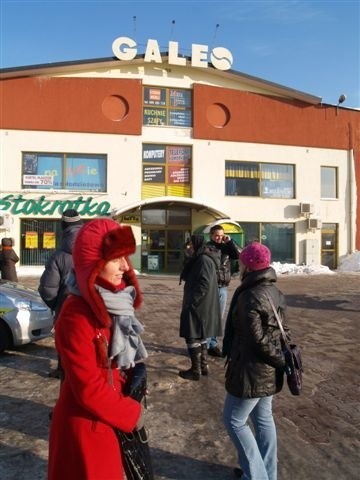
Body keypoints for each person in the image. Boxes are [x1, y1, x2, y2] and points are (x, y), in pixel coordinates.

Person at [48, 218, 147, 480]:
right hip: (85, 431)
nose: (125, 267)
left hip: (109, 422)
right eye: (117, 260)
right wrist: (131, 413)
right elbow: (87, 388)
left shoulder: (116, 302)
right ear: (94, 263)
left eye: (126, 258)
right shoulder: (75, 314)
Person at [222, 242, 290, 480]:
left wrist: (279, 360)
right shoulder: (274, 290)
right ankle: (267, 474)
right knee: (263, 420)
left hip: (251, 371)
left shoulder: (249, 295)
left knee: (234, 420)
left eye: (241, 261)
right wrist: (280, 361)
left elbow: (256, 340)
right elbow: (282, 332)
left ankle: (258, 476)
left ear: (248, 266)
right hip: (268, 370)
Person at [38, 209, 83, 379]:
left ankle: (63, 370)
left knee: (64, 340)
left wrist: (57, 305)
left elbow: (47, 289)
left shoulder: (58, 255)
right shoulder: (97, 250)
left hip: (66, 305)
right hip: (93, 307)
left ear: (63, 227)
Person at [179, 234, 222, 381]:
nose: (188, 247)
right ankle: (203, 367)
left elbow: (204, 283)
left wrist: (192, 301)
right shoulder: (200, 257)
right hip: (202, 305)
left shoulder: (203, 259)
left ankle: (195, 370)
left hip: (198, 305)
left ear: (197, 244)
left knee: (192, 335)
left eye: (190, 244)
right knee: (201, 336)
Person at [206, 225, 241, 357]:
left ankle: (213, 345)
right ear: (211, 235)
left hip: (223, 287)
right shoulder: (207, 247)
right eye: (216, 235)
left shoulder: (227, 247)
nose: (219, 237)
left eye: (221, 235)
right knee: (209, 317)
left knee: (218, 318)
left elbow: (239, 254)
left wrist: (230, 242)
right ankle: (205, 344)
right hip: (210, 287)